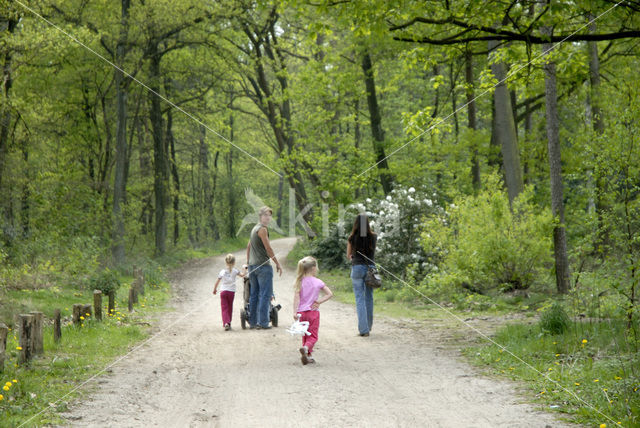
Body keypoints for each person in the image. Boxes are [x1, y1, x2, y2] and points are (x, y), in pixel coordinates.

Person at [246, 206, 282, 329]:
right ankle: (263, 322)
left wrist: (248, 262)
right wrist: (277, 263)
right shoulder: (262, 229)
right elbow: (268, 248)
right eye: (265, 215)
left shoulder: (254, 229)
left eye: (269, 215)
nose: (268, 217)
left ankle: (253, 322)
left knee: (254, 294)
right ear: (260, 216)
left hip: (252, 267)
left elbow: (248, 246)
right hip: (262, 267)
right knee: (265, 294)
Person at [293, 256, 333, 365]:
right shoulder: (318, 282)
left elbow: (296, 298)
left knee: (305, 334)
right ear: (314, 268)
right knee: (313, 335)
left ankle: (308, 355)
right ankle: (306, 349)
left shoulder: (299, 281)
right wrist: (319, 301)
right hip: (313, 312)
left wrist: (295, 312)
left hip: (301, 313)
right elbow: (330, 294)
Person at [346, 213, 377, 337]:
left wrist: (353, 255)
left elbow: (349, 256)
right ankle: (368, 326)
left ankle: (364, 330)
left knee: (359, 299)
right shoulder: (374, 236)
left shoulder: (352, 237)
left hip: (357, 268)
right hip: (371, 268)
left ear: (356, 223)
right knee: (369, 297)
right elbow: (372, 252)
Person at [213, 254, 245, 331]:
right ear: (234, 262)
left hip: (223, 292)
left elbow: (217, 282)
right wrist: (245, 268)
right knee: (230, 307)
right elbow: (243, 275)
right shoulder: (235, 271)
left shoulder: (222, 272)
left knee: (224, 308)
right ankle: (228, 322)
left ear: (226, 262)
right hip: (231, 292)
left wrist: (215, 289)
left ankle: (226, 323)